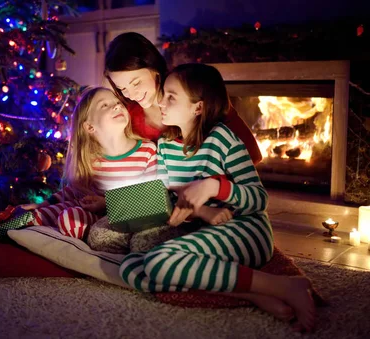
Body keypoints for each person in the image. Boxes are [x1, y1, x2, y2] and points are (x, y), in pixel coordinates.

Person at [118, 63, 316, 332]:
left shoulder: (223, 140)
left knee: (159, 262)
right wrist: (200, 211)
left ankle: (283, 286)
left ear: (198, 107)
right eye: (163, 94)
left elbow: (259, 199)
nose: (161, 102)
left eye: (171, 97)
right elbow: (165, 196)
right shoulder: (164, 145)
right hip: (205, 234)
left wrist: (212, 188)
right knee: (130, 265)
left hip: (247, 230)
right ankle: (249, 294)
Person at [104, 31, 263, 165]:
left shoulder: (192, 90)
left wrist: (213, 186)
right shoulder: (128, 117)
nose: (131, 94)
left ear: (153, 67)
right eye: (122, 88)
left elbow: (251, 155)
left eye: (136, 82)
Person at [19, 87, 158, 240]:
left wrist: (107, 203)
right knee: (35, 216)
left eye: (118, 102)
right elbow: (75, 189)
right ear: (90, 127)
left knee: (69, 220)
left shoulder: (147, 151)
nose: (117, 106)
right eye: (104, 105)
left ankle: (107, 238)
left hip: (127, 218)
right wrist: (44, 204)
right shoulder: (92, 159)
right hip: (93, 216)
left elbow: (152, 197)